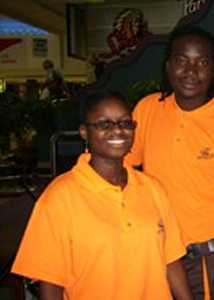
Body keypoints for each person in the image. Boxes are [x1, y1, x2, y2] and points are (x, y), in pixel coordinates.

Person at [11, 90, 193, 300]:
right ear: (84, 132)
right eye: (103, 124)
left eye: (125, 123)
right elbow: (50, 285)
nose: (117, 131)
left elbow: (171, 262)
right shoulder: (60, 198)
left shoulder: (153, 189)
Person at [126, 26, 214, 300]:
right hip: (156, 257)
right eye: (181, 61)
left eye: (202, 62)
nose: (191, 71)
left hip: (208, 262)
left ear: (213, 69)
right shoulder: (147, 109)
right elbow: (122, 172)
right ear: (168, 66)